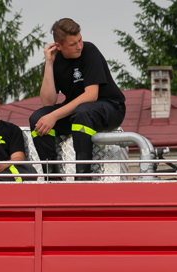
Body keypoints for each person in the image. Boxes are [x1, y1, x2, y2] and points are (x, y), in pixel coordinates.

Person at [29, 18, 126, 177]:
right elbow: (47, 102)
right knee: (37, 118)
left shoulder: (89, 50)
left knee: (82, 112)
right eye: (73, 44)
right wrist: (48, 63)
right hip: (79, 111)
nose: (79, 46)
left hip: (110, 107)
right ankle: (51, 175)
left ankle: (83, 176)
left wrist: (54, 116)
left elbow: (91, 95)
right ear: (58, 46)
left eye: (79, 40)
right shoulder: (56, 59)